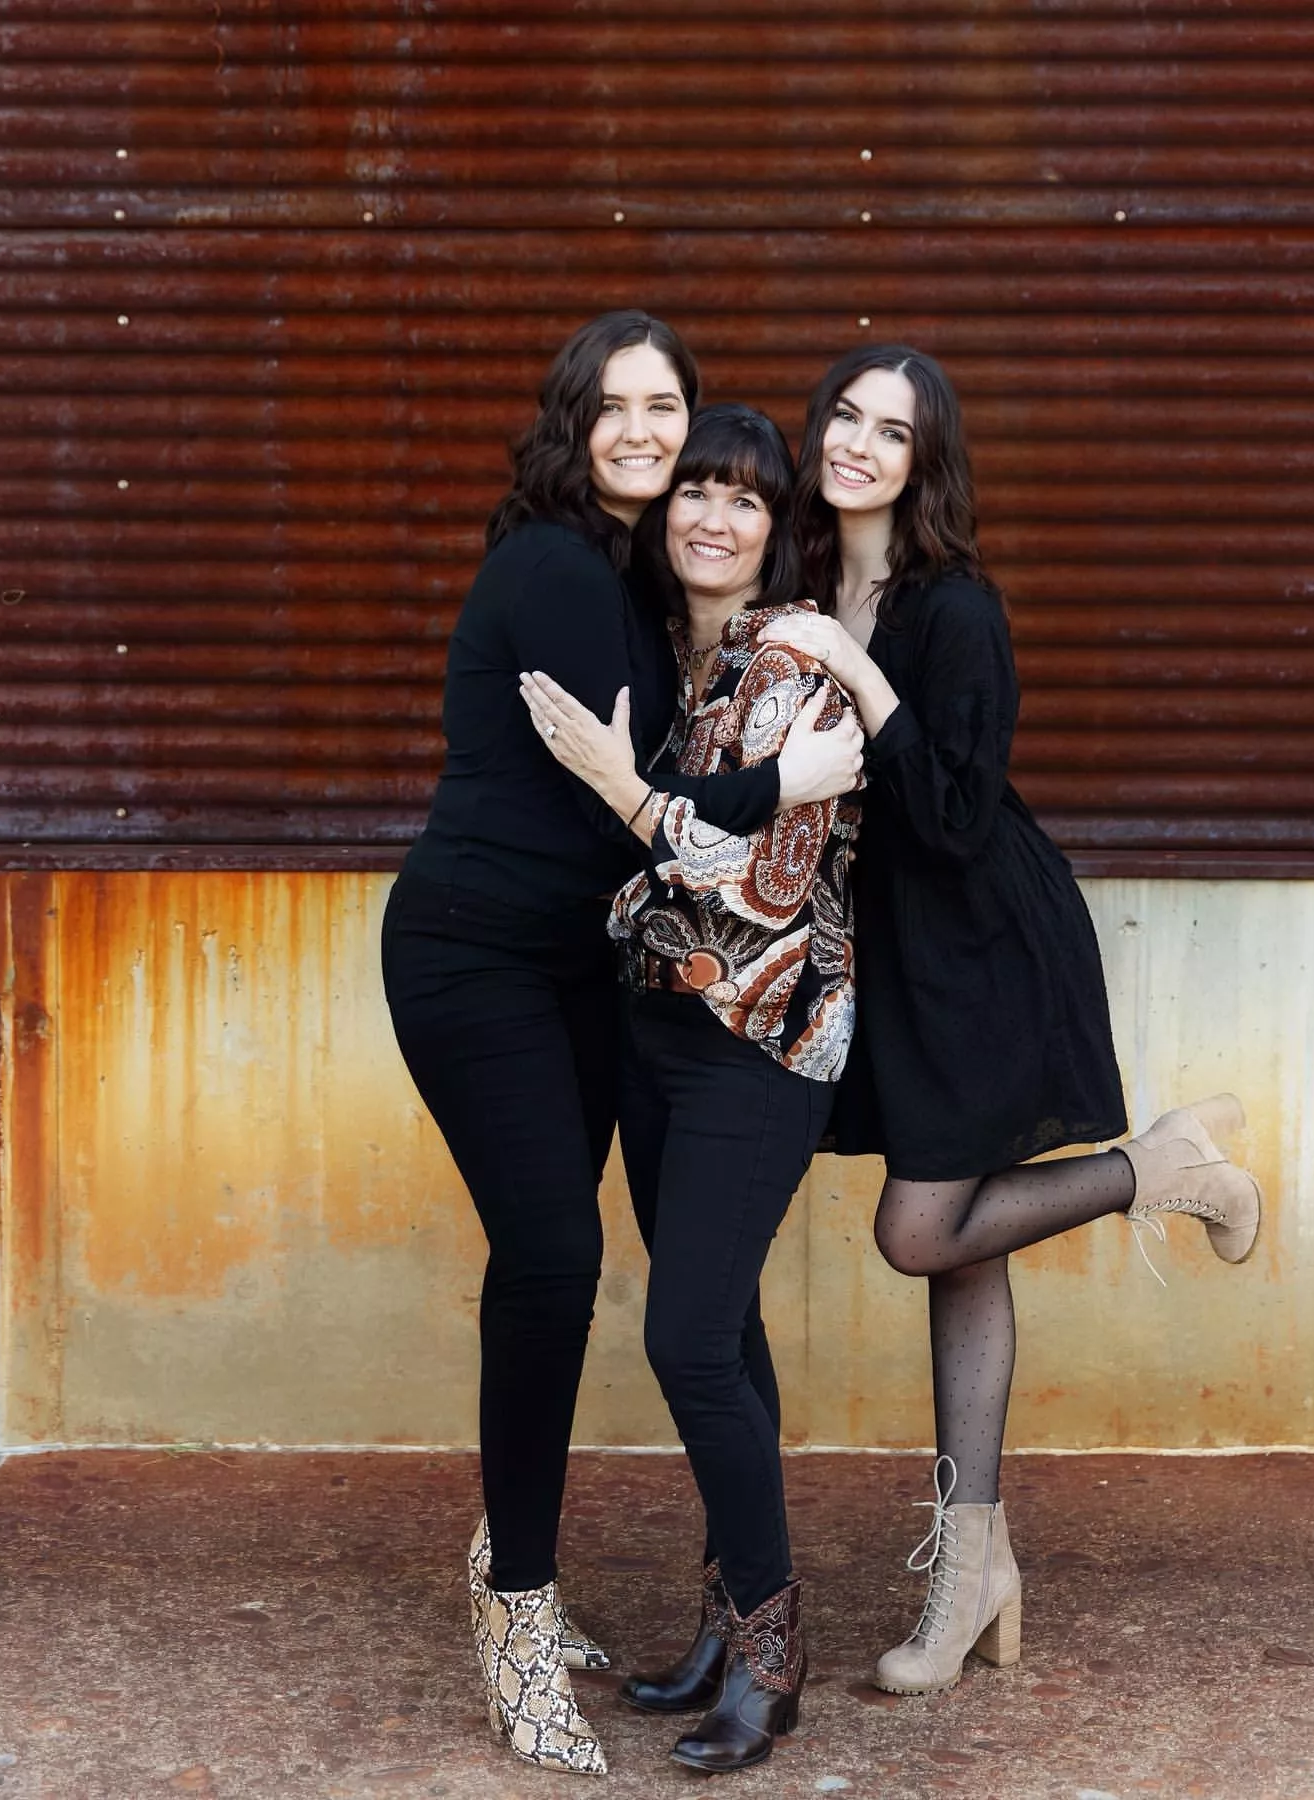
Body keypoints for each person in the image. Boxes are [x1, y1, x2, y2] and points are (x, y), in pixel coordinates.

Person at [381, 317, 862, 1778]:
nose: (649, 433)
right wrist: (794, 776)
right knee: (553, 1263)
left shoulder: (655, 587)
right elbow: (640, 794)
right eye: (620, 406)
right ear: (574, 420)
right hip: (478, 960)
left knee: (657, 1293)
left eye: (672, 408)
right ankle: (517, 1609)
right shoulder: (553, 565)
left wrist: (838, 716)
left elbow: (659, 800)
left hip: (600, 976)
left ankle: (718, 1613)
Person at [758, 345, 1264, 1698]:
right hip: (892, 966)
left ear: (928, 464)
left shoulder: (954, 610)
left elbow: (955, 818)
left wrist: (857, 678)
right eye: (848, 415)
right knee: (964, 1255)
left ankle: (1154, 1171)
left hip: (982, 953)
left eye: (894, 432)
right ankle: (973, 1568)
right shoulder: (804, 583)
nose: (860, 442)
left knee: (920, 1231)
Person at [520, 404, 861, 1773]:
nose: (713, 518)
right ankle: (727, 1623)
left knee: (686, 1342)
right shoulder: (681, 658)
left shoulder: (798, 664)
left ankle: (775, 1656)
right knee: (730, 1339)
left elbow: (756, 881)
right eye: (695, 497)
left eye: (745, 500)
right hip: (660, 1038)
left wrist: (626, 792)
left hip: (760, 1048)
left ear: (780, 530)